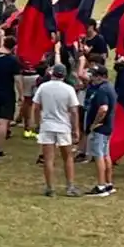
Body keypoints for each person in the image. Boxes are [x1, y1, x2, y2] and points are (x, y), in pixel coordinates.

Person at [33, 63, 79, 197]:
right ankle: (70, 186)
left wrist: (38, 123)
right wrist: (76, 129)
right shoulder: (69, 89)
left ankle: (50, 188)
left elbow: (36, 107)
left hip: (47, 125)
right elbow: (74, 111)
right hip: (63, 126)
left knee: (48, 159)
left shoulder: (43, 87)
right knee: (68, 157)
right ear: (64, 75)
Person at [83, 64, 116, 195]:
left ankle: (101, 186)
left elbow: (103, 109)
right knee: (106, 154)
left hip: (101, 128)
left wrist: (94, 123)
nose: (92, 78)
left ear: (102, 77)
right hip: (107, 126)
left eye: (95, 76)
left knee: (99, 156)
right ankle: (108, 183)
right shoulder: (109, 87)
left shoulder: (102, 90)